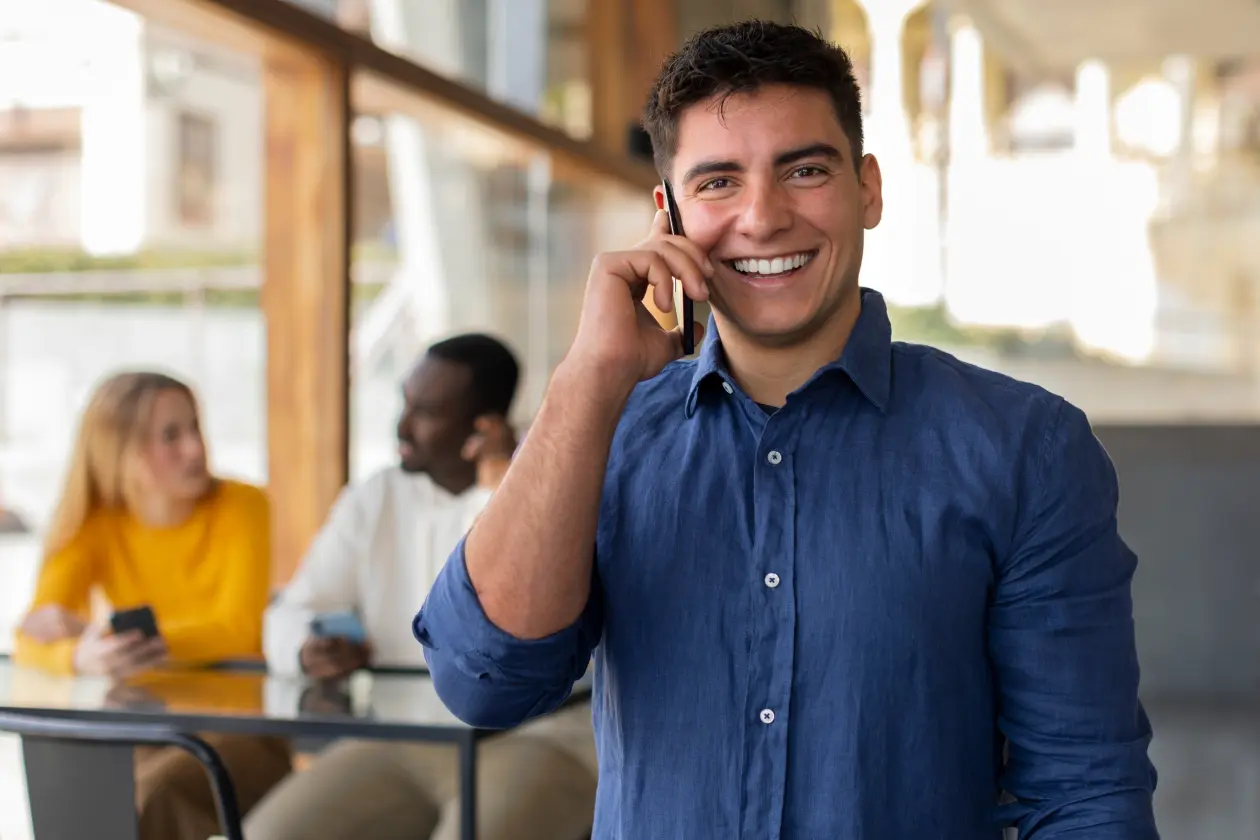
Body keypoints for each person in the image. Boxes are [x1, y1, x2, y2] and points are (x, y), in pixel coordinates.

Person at [413, 21, 1159, 840]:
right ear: (666, 215)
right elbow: (483, 681)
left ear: (868, 190)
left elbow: (1085, 798)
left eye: (804, 170)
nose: (762, 218)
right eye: (718, 183)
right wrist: (587, 380)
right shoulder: (606, 435)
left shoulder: (1025, 449)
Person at [246, 333, 597, 840]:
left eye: (426, 412)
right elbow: (294, 609)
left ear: (484, 426)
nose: (402, 426)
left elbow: (499, 626)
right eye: (405, 403)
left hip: (540, 736)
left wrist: (496, 482)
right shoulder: (377, 497)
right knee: (269, 834)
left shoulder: (556, 490)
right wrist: (307, 648)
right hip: (402, 735)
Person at [14, 371, 290, 840]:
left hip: (243, 731)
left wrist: (120, 641)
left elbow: (239, 629)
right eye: (171, 436)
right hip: (143, 726)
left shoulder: (244, 506)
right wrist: (78, 655)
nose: (195, 448)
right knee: (74, 790)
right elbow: (30, 635)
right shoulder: (94, 525)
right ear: (119, 451)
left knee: (150, 797)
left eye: (194, 428)